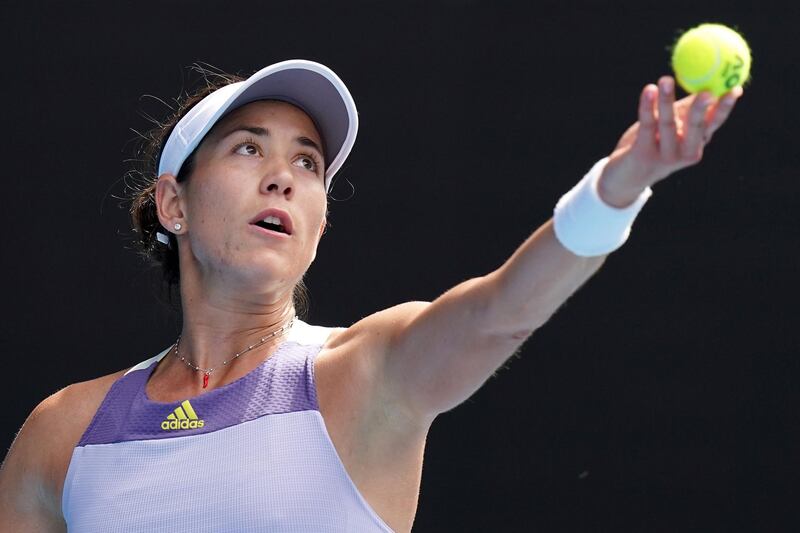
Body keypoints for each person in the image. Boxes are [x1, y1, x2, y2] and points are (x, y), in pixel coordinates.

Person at [0, 59, 742, 532]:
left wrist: (618, 188)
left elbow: (503, 309)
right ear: (174, 204)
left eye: (308, 162)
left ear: (317, 228)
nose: (284, 175)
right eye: (248, 147)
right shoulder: (62, 434)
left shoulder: (368, 371)